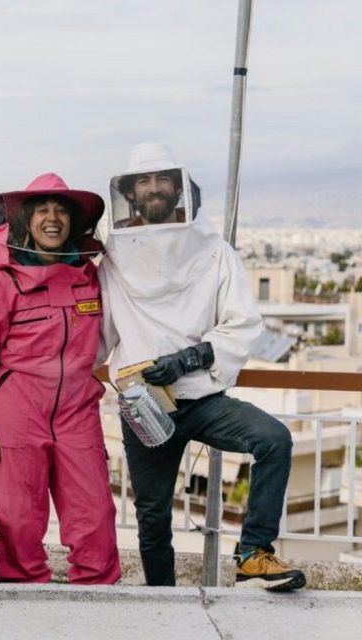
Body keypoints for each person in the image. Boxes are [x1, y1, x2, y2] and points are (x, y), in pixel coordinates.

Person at [98, 142, 306, 591]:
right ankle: (162, 603)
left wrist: (190, 358)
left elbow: (243, 321)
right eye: (144, 182)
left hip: (202, 397)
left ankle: (253, 553)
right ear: (130, 193)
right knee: (153, 517)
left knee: (274, 439)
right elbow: (98, 335)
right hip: (144, 405)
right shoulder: (113, 257)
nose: (154, 189)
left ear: (179, 187)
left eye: (162, 180)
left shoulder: (214, 251)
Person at [0, 172, 120, 585]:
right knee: (18, 520)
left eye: (61, 210)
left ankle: (102, 607)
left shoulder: (91, 279)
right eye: (42, 210)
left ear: (73, 222)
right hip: (17, 413)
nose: (52, 218)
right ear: (26, 221)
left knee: (95, 513)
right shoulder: (3, 285)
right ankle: (25, 610)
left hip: (77, 412)